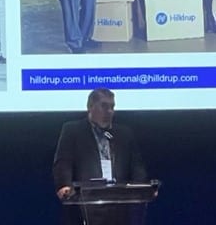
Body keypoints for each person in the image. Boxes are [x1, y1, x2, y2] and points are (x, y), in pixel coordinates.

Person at [53, 88, 148, 225]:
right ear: (90, 107)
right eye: (104, 106)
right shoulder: (73, 130)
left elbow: (137, 166)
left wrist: (142, 188)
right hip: (86, 203)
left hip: (119, 203)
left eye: (112, 107)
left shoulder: (124, 134)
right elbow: (63, 162)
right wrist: (64, 185)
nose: (109, 111)